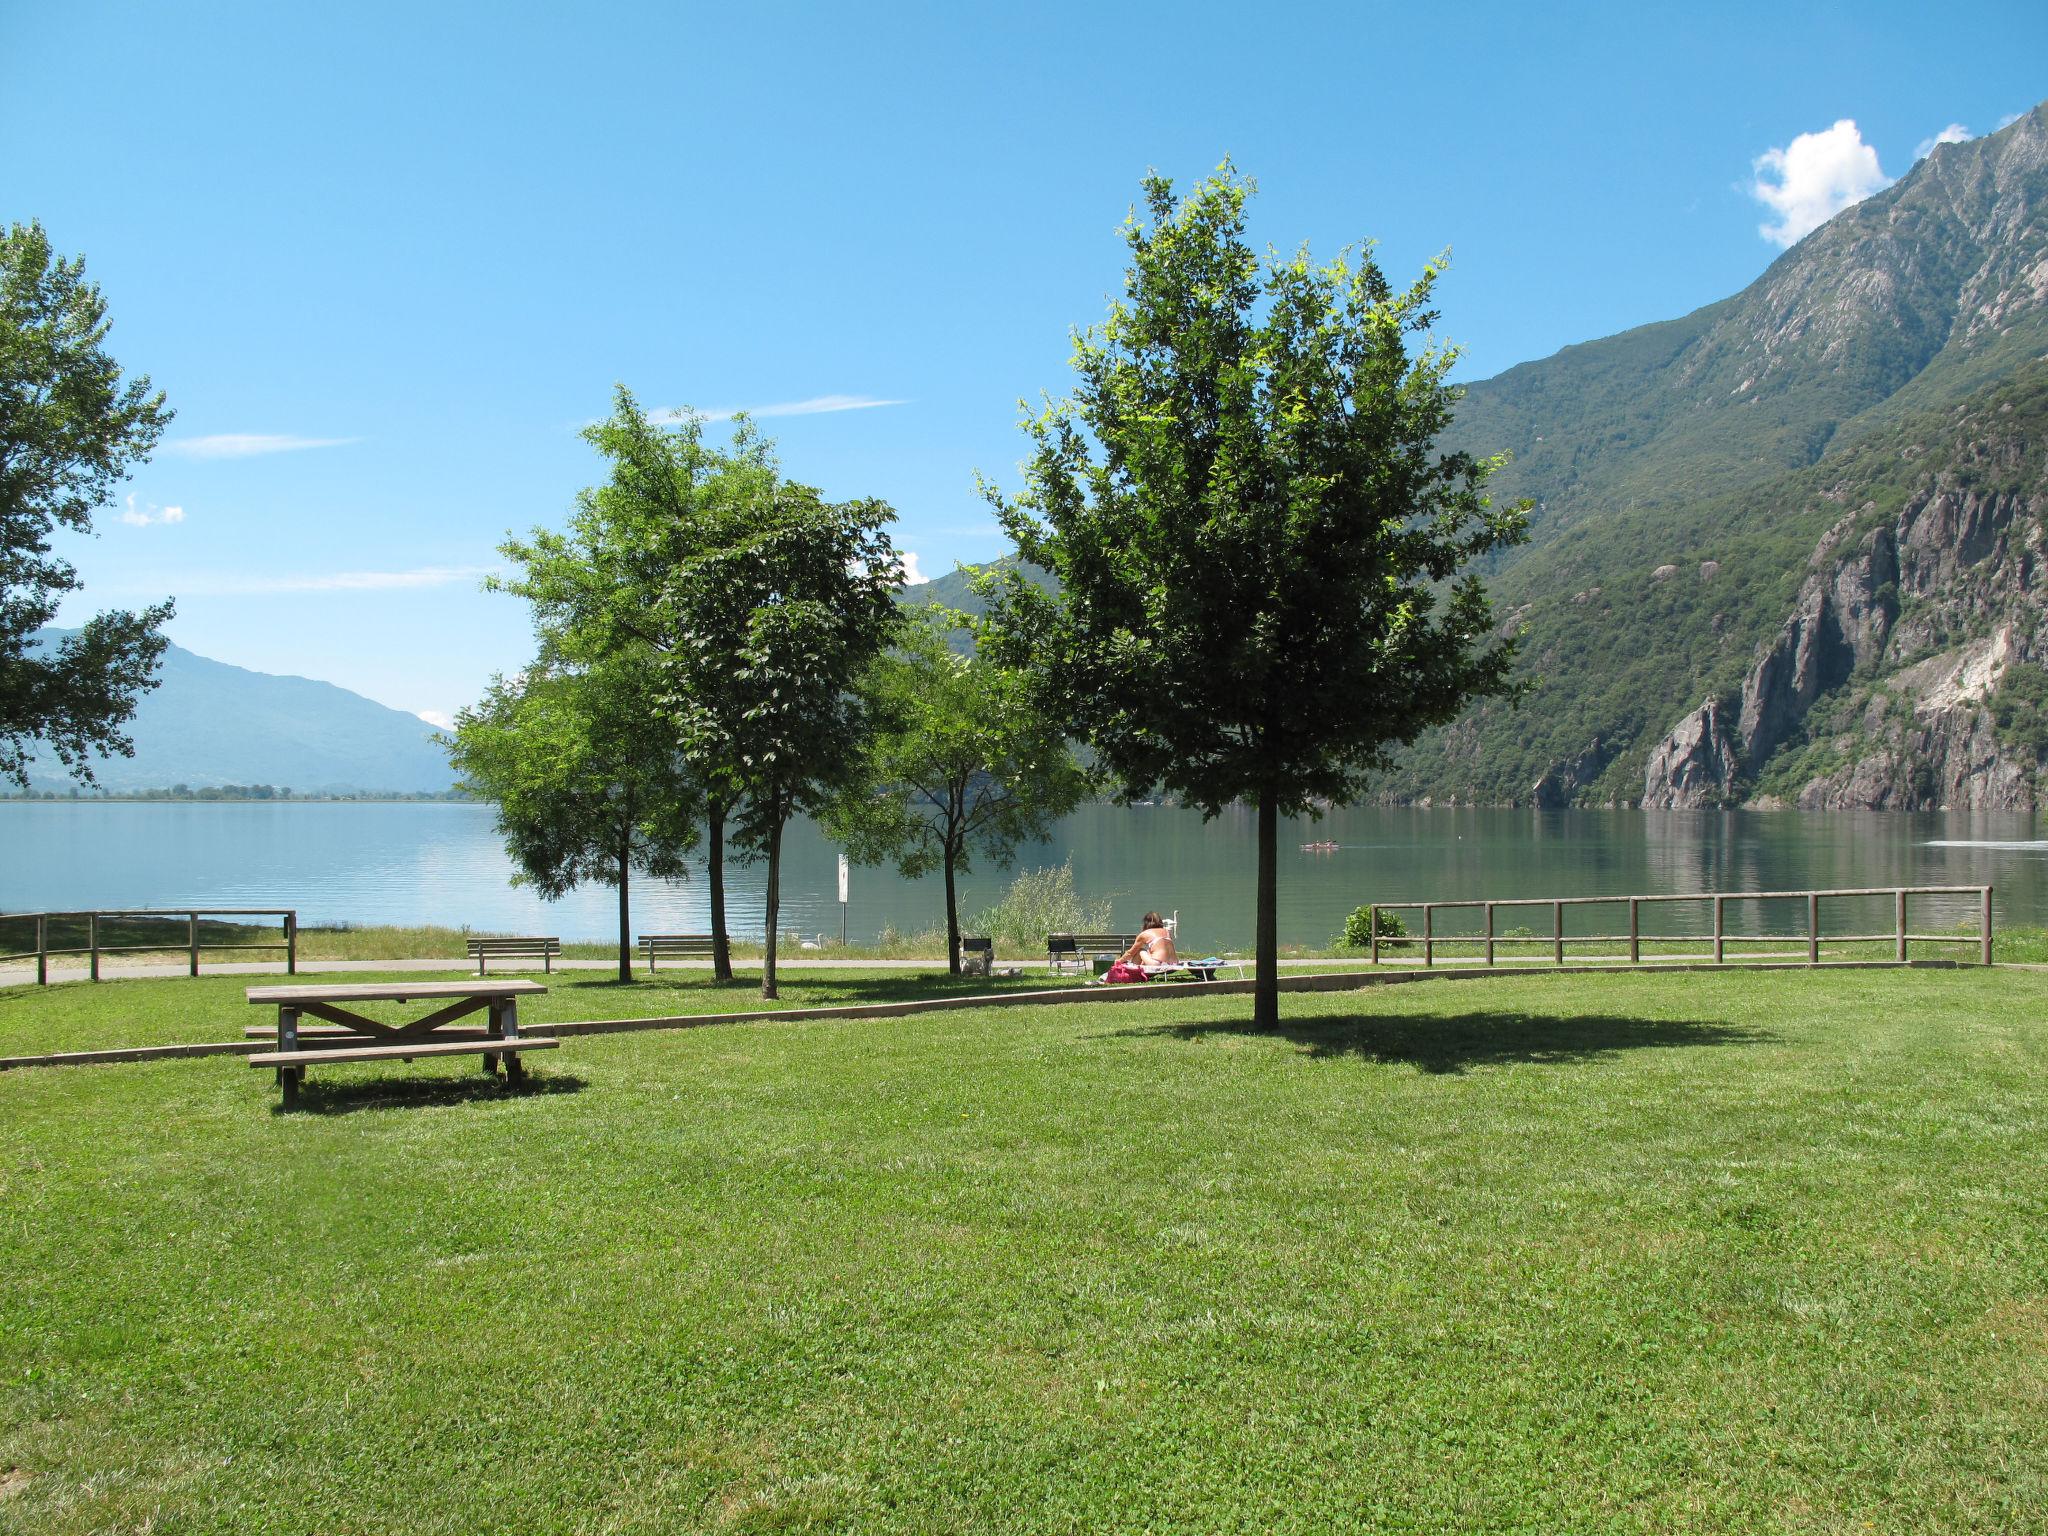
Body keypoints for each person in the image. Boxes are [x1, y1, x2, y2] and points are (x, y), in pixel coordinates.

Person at [1102, 912, 1176, 984]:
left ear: (1146, 923)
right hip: (1174, 963)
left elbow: (1130, 953)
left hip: (1158, 964)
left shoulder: (1145, 934)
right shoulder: (1167, 932)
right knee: (1149, 952)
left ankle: (1133, 973)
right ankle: (1138, 970)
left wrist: (1119, 961)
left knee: (1141, 950)